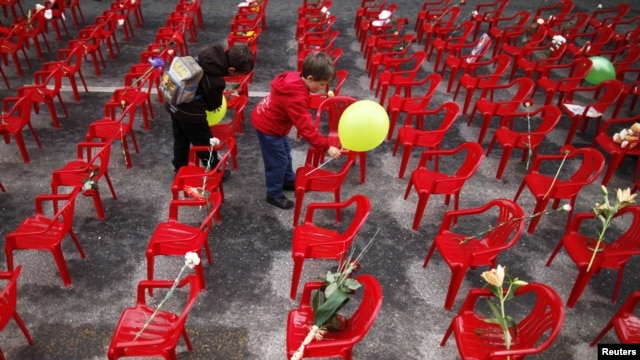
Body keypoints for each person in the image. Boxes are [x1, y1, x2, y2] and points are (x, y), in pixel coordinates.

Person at [251, 52, 342, 209]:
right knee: (277, 161)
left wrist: (320, 97)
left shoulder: (297, 79)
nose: (322, 88)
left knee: (285, 154)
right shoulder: (295, 97)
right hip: (269, 128)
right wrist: (326, 146)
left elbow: (303, 98)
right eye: (321, 85)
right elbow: (305, 127)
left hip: (275, 124)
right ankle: (273, 194)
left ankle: (287, 180)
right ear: (310, 78)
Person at [167, 43, 254, 178]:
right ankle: (215, 170)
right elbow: (214, 105)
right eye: (238, 73)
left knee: (180, 138)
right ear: (231, 70)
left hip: (174, 102)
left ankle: (179, 167)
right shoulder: (216, 81)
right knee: (204, 142)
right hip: (191, 114)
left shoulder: (208, 55)